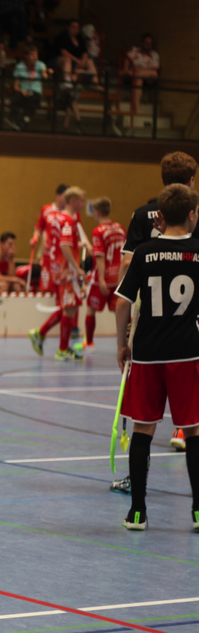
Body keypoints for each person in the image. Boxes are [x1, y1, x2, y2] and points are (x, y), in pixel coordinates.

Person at [113, 183, 199, 532]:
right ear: (192, 215)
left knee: (143, 430)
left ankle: (137, 512)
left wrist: (122, 345)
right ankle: (198, 511)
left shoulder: (144, 252)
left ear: (160, 216)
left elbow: (122, 303)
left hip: (148, 353)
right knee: (192, 430)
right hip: (187, 352)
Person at [28, 186, 86, 361]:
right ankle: (62, 349)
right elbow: (64, 245)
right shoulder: (68, 219)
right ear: (72, 201)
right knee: (70, 308)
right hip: (67, 270)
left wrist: (81, 245)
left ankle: (41, 333)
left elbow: (59, 241)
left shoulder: (56, 217)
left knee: (68, 307)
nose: (84, 204)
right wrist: (76, 267)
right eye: (82, 200)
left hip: (57, 267)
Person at [83, 197, 125, 352]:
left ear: (97, 212)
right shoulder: (120, 228)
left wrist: (101, 279)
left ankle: (89, 344)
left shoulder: (98, 231)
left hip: (104, 277)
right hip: (118, 277)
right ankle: (128, 342)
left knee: (90, 308)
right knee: (119, 311)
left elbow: (100, 257)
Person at [30, 183, 68, 290]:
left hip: (64, 255)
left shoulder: (72, 213)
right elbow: (38, 228)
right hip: (48, 254)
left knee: (61, 285)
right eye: (65, 196)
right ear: (58, 195)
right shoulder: (46, 209)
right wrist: (35, 239)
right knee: (46, 284)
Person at [5, 44, 49, 132]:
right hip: (23, 91)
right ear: (26, 56)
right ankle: (14, 120)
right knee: (15, 99)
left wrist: (45, 73)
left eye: (36, 55)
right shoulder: (19, 67)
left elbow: (45, 75)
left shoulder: (40, 65)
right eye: (32, 55)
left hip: (35, 92)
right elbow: (16, 86)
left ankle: (23, 122)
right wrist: (22, 91)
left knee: (33, 101)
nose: (35, 58)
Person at [125, 34, 160, 116]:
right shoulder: (134, 50)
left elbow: (154, 70)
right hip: (135, 75)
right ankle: (137, 108)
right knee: (139, 80)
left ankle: (136, 74)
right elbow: (127, 59)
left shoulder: (154, 55)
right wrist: (125, 68)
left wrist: (140, 70)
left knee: (154, 74)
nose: (148, 45)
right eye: (146, 43)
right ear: (142, 43)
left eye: (150, 43)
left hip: (147, 75)